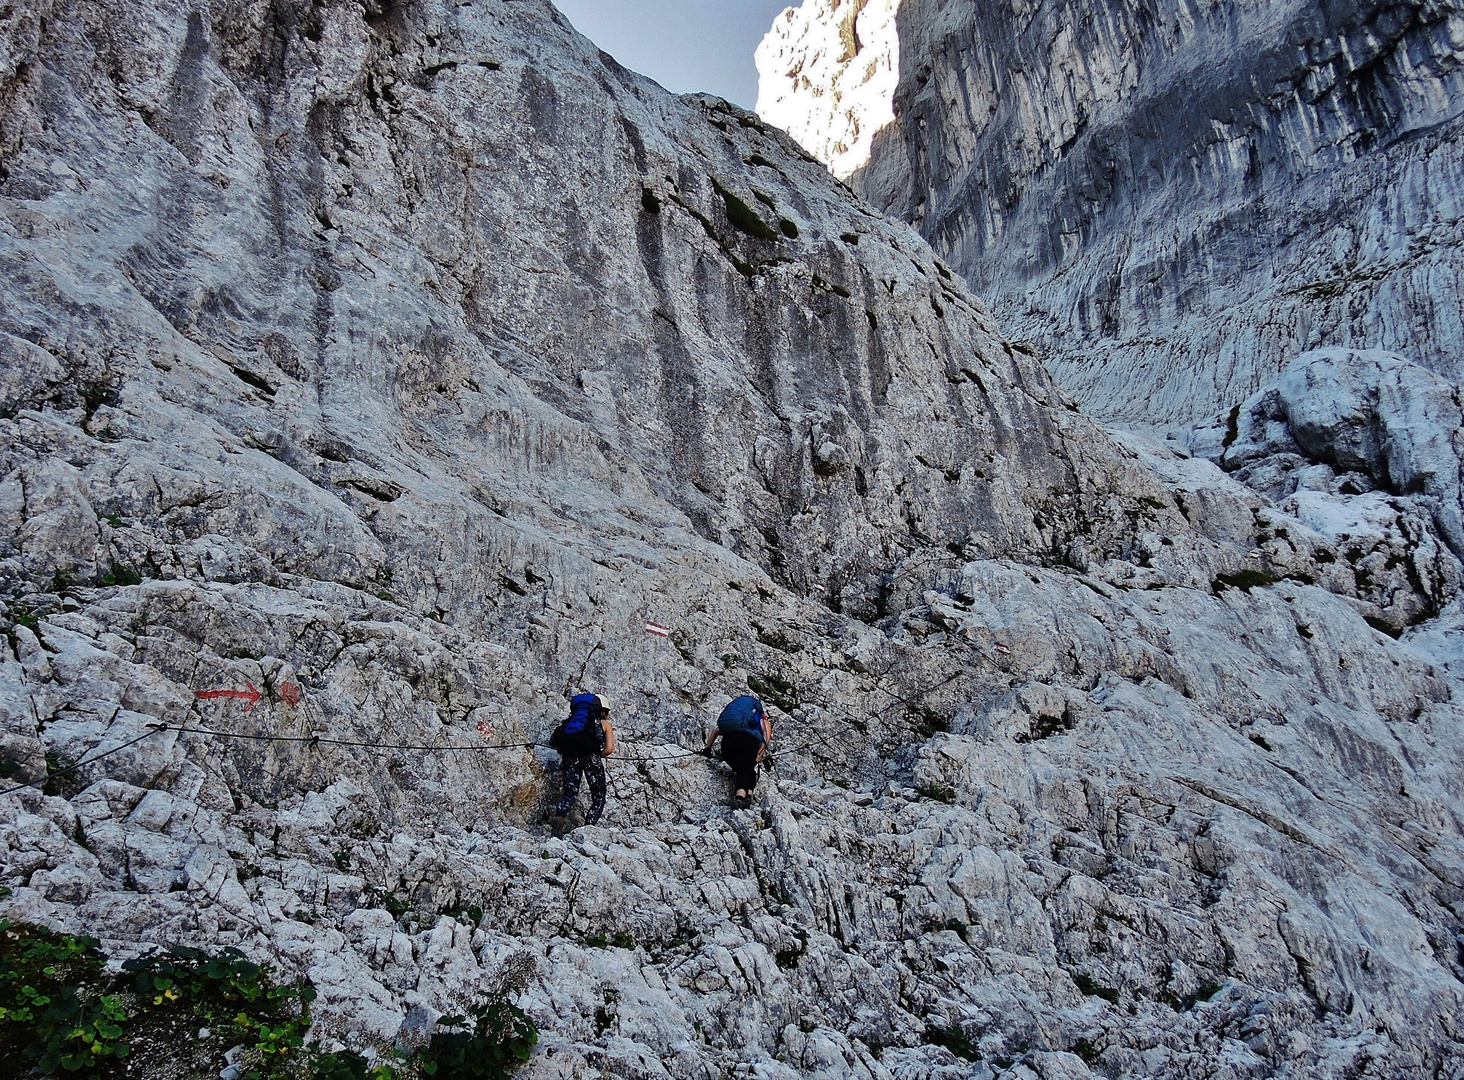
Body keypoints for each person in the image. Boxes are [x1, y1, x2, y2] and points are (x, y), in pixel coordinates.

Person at [549, 692, 615, 834]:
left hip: (570, 756)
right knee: (598, 795)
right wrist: (597, 755)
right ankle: (587, 830)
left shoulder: (569, 724)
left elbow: (554, 741)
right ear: (602, 710)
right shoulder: (604, 724)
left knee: (569, 793)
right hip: (591, 758)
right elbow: (609, 749)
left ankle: (559, 817)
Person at [701, 694, 770, 807]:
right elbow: (765, 742)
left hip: (727, 746)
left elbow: (715, 731)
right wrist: (757, 758)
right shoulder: (762, 721)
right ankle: (741, 797)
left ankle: (747, 795)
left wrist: (707, 749)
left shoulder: (737, 722)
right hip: (748, 742)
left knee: (744, 768)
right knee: (746, 768)